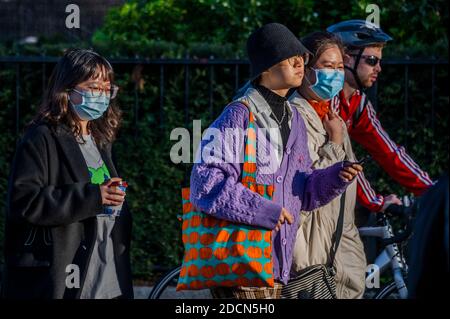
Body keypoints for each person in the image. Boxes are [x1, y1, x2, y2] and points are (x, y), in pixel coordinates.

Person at [189, 23, 362, 299]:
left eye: (301, 57)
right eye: (288, 56)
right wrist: (263, 210)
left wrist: (335, 177)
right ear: (265, 68)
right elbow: (205, 183)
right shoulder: (239, 115)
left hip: (275, 268)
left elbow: (301, 190)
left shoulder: (294, 121)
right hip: (241, 264)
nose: (299, 63)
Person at [2, 49, 133, 299]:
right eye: (94, 87)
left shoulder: (100, 139)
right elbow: (23, 202)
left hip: (105, 273)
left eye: (107, 89)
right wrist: (94, 197)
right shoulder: (41, 137)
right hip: (64, 274)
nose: (102, 96)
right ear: (67, 89)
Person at [287, 31, 366, 298]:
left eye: (339, 67)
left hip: (342, 239)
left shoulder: (333, 118)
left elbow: (352, 176)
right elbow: (305, 182)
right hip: (312, 243)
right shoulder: (293, 115)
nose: (335, 73)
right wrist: (334, 142)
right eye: (327, 66)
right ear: (307, 70)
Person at [326, 20, 434, 211]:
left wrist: (432, 192)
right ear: (347, 58)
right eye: (372, 61)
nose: (379, 68)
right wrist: (376, 202)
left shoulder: (357, 103)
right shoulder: (326, 101)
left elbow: (389, 153)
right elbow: (343, 162)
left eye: (379, 61)